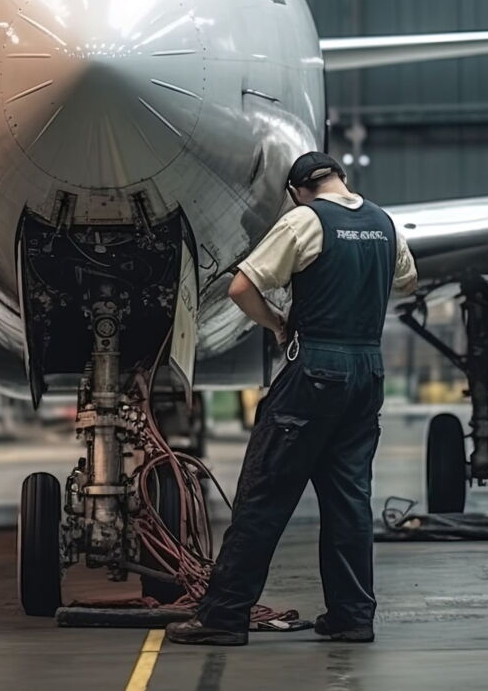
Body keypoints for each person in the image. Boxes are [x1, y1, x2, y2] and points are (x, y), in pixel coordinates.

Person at [166, 151, 418, 646]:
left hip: (315, 371)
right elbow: (407, 283)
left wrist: (279, 324)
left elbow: (242, 288)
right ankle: (352, 617)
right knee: (349, 500)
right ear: (341, 178)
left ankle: (223, 616)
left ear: (298, 191)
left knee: (264, 494)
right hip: (367, 373)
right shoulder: (384, 224)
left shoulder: (305, 220)